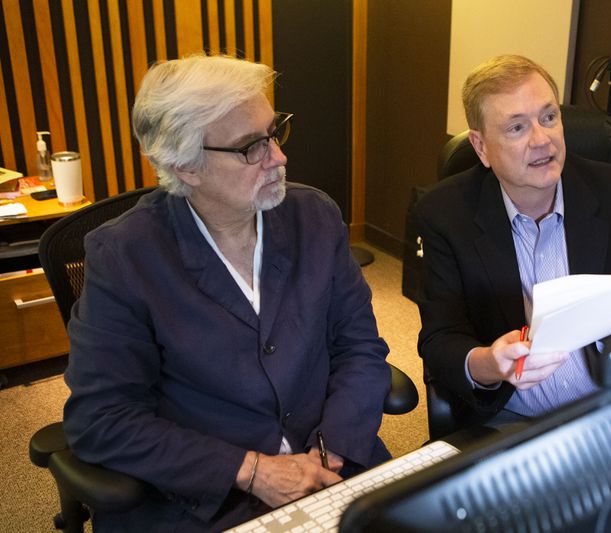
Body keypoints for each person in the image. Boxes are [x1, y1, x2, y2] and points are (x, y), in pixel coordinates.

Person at [62, 55, 391, 531]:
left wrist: (331, 449)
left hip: (335, 468)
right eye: (251, 147)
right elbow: (102, 418)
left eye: (274, 132)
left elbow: (360, 347)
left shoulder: (314, 217)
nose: (278, 156)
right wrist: (251, 471)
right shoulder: (124, 256)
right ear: (185, 166)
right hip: (207, 502)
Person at [414, 54, 611, 427]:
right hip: (511, 422)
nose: (542, 139)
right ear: (481, 148)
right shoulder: (444, 214)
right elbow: (440, 339)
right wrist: (488, 363)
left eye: (549, 117)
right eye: (516, 128)